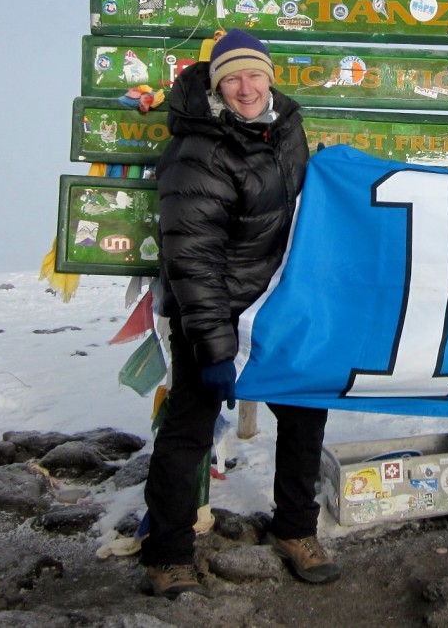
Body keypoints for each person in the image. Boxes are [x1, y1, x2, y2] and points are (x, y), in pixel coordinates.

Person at [140, 29, 339, 598]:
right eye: (232, 77)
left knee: (304, 414)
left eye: (254, 75)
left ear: (269, 78)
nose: (246, 87)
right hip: (212, 309)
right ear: (217, 83)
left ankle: (296, 530)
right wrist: (214, 346)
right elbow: (191, 255)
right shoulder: (199, 147)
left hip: (274, 306)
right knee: (189, 429)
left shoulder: (286, 128)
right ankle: (169, 553)